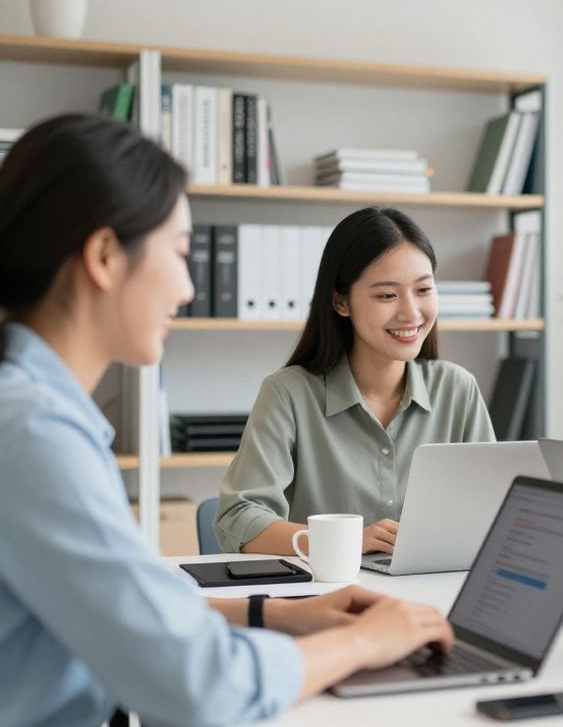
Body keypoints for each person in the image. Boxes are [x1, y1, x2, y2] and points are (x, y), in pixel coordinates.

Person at [0, 114, 454, 727]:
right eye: (182, 253)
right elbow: (201, 688)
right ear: (106, 256)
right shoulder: (31, 436)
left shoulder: (40, 417)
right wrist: (365, 642)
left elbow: (132, 611)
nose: (189, 287)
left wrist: (284, 614)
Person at [215, 206, 495, 555]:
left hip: (431, 594)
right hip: (325, 599)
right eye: (387, 295)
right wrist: (346, 541)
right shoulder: (288, 394)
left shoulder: (458, 390)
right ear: (340, 302)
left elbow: (493, 514)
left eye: (423, 290)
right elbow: (238, 520)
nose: (411, 312)